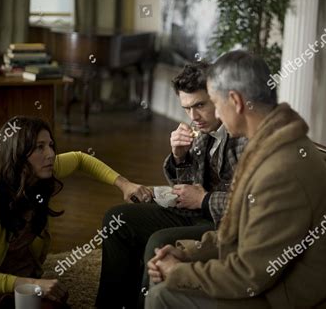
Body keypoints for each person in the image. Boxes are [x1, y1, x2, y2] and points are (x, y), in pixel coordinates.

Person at [145, 50, 326, 308]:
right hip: (272, 287)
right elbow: (239, 231)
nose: (216, 114)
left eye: (216, 104)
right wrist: (187, 254)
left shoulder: (280, 170)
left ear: (236, 101)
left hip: (290, 300)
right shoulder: (266, 144)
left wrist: (179, 272)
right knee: (165, 282)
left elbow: (250, 276)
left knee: (162, 294)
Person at [96, 61, 247, 308]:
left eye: (200, 105)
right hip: (199, 214)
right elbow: (187, 187)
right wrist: (180, 156)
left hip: (224, 226)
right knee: (117, 219)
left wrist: (205, 199)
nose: (193, 117)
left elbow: (251, 202)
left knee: (159, 243)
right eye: (186, 108)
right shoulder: (202, 130)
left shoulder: (243, 136)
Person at [0, 116, 153, 308]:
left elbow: (80, 159)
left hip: (23, 282)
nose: (51, 154)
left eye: (51, 145)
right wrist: (33, 284)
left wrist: (124, 184)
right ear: (16, 154)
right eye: (40, 147)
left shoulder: (40, 172)